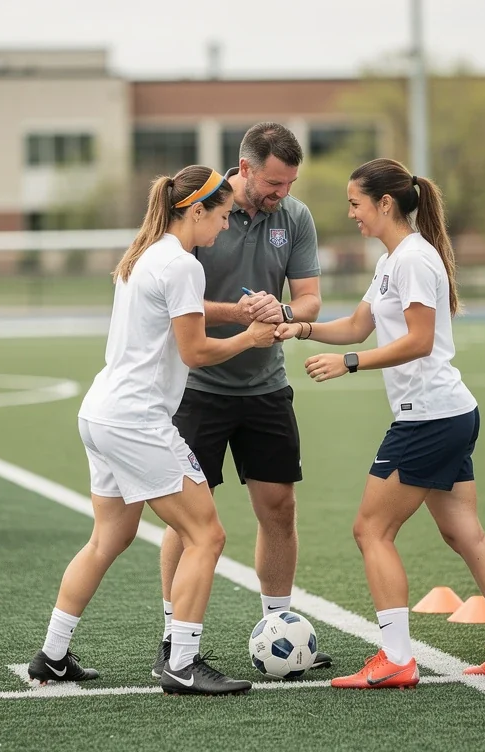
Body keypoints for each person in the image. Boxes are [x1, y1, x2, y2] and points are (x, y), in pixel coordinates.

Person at [281, 158, 485, 688]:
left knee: (371, 529)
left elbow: (419, 340)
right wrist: (297, 324)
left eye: (355, 203)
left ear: (385, 204)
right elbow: (357, 326)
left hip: (429, 418)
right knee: (464, 533)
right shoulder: (393, 260)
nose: (350, 213)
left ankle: (396, 658)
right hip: (448, 414)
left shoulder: (413, 260)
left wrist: (350, 364)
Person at [24, 166, 276, 696]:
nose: (226, 227)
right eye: (224, 216)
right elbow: (196, 350)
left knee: (108, 537)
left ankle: (52, 654)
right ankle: (182, 663)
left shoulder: (145, 252)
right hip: (136, 421)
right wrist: (251, 337)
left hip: (101, 413)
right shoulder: (182, 264)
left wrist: (234, 312)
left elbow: (181, 314)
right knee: (207, 534)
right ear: (196, 209)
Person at [153, 123, 330, 675]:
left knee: (280, 509)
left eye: (289, 184)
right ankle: (172, 636)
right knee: (186, 522)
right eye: (274, 183)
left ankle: (279, 626)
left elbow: (310, 299)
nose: (282, 194)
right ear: (244, 169)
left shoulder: (295, 218)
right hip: (199, 389)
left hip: (267, 387)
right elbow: (174, 296)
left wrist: (285, 314)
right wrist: (242, 314)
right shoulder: (205, 211)